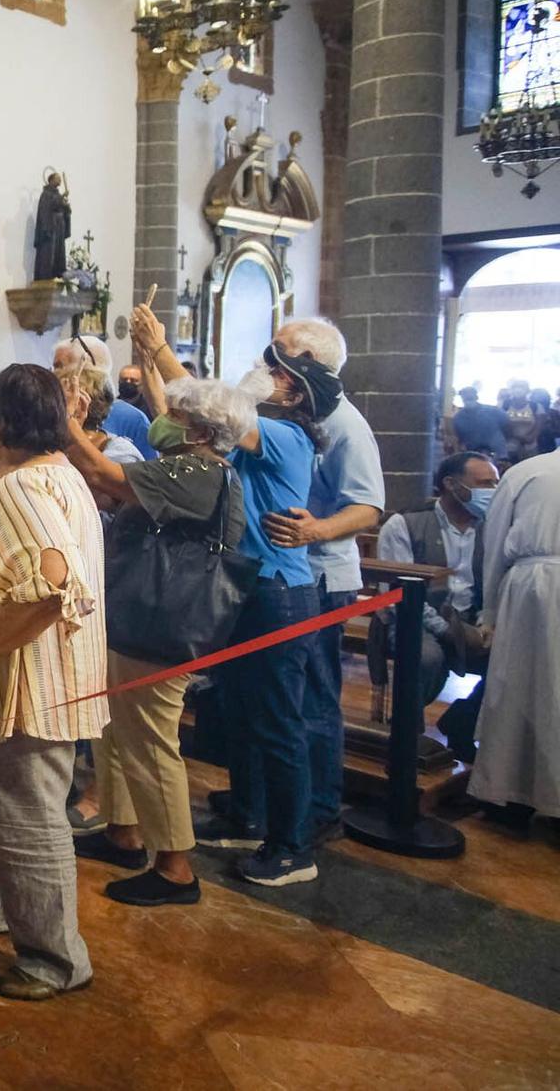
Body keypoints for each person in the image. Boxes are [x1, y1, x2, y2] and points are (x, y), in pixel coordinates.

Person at [141, 309, 332, 887]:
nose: (259, 367)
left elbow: (212, 407)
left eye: (271, 363)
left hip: (278, 590)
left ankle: (293, 846)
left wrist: (162, 347)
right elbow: (182, 420)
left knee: (278, 721)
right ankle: (250, 817)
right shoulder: (256, 433)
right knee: (244, 715)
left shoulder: (286, 434)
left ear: (293, 389)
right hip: (248, 586)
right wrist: (153, 361)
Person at [61, 371, 255, 907]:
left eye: (176, 414)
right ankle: (122, 830)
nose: (162, 419)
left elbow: (106, 474)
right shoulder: (183, 465)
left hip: (163, 625)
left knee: (150, 739)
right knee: (117, 730)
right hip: (139, 618)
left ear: (198, 432)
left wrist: (69, 423)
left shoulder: (202, 471)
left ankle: (173, 866)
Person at [0, 364, 107, 1002]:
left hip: (26, 684)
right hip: (59, 676)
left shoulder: (19, 487)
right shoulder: (61, 472)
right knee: (21, 810)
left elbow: (52, 580)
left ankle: (53, 960)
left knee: (25, 816)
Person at [256, 319, 384, 846]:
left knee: (315, 696)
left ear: (309, 359)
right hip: (291, 574)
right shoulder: (295, 415)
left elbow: (369, 505)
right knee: (284, 698)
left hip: (324, 575)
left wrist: (317, 529)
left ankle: (323, 807)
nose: (269, 362)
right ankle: (286, 802)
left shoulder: (345, 423)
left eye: (280, 353)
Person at [377, 451, 497, 755]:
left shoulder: (491, 527)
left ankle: (461, 722)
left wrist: (485, 623)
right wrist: (444, 629)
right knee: (424, 656)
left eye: (495, 483)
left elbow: (492, 583)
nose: (492, 492)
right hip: (415, 618)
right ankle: (405, 737)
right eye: (484, 484)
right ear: (451, 484)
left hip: (468, 617)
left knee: (513, 658)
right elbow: (397, 591)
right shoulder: (405, 523)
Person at [471, 445, 560, 828]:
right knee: (523, 690)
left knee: (519, 691)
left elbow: (493, 547)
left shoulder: (527, 471)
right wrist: (490, 611)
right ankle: (513, 793)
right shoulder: (527, 471)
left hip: (531, 590)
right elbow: (494, 542)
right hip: (532, 587)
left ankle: (510, 796)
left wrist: (489, 609)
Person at [53, 334, 155, 460]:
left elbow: (146, 472)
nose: (53, 374)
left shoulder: (132, 420)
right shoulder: (50, 420)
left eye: (58, 367)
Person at [453, 385, 509, 458]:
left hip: (497, 449)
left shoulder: (493, 411)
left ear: (476, 397)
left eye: (470, 397)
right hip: (474, 450)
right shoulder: (458, 417)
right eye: (466, 397)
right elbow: (460, 437)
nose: (468, 399)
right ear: (462, 398)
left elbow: (506, 425)